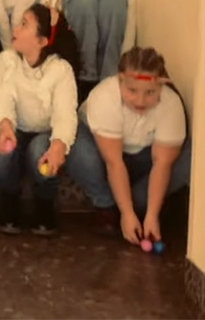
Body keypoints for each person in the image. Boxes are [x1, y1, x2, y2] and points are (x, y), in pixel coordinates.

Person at [64, 47, 191, 248]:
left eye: (150, 92)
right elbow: (113, 162)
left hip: (142, 157)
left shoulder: (171, 104)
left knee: (189, 158)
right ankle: (107, 206)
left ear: (161, 85)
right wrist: (127, 213)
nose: (140, 101)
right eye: (132, 91)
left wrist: (151, 216)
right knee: (74, 144)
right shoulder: (105, 97)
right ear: (120, 80)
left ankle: (142, 209)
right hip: (102, 154)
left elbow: (162, 165)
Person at [0, 3, 79, 237]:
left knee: (41, 151)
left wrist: (59, 144)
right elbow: (0, 97)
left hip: (44, 132)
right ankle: (8, 199)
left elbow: (65, 114)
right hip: (16, 128)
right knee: (1, 149)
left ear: (42, 41)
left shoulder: (60, 70)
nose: (16, 28)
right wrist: (5, 124)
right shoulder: (6, 60)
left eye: (25, 24)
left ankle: (45, 203)